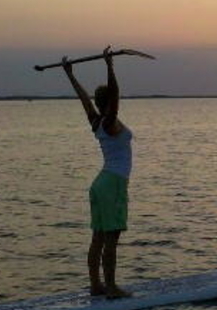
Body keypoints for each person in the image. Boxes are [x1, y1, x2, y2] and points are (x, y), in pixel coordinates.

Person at [61, 46, 133, 299]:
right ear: (110, 104)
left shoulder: (95, 122)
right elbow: (115, 94)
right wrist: (109, 66)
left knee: (98, 238)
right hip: (112, 183)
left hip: (100, 183)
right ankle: (111, 288)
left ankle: (96, 285)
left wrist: (70, 74)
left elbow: (84, 100)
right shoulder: (110, 122)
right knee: (111, 239)